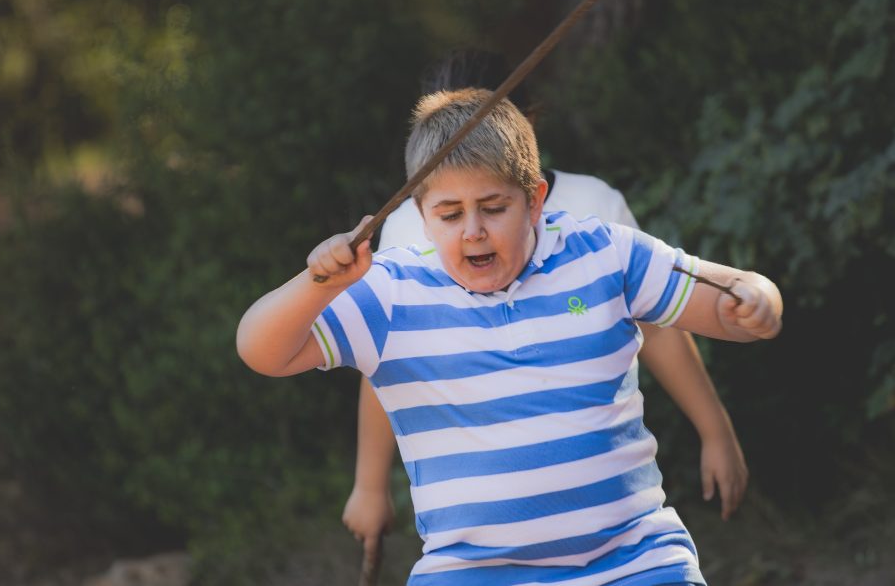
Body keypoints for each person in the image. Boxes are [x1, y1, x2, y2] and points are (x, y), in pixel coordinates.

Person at [236, 88, 783, 585]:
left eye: (493, 208)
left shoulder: (603, 251)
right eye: (449, 214)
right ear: (421, 216)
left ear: (535, 199)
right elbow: (261, 350)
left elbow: (727, 292)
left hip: (635, 560)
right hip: (469, 571)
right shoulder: (391, 292)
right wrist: (316, 284)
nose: (473, 229)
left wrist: (756, 299)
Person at [342, 50, 749, 561]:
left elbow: (662, 324)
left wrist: (716, 430)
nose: (472, 227)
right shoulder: (409, 225)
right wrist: (370, 484)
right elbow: (384, 359)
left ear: (524, 120)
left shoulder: (595, 207)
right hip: (480, 533)